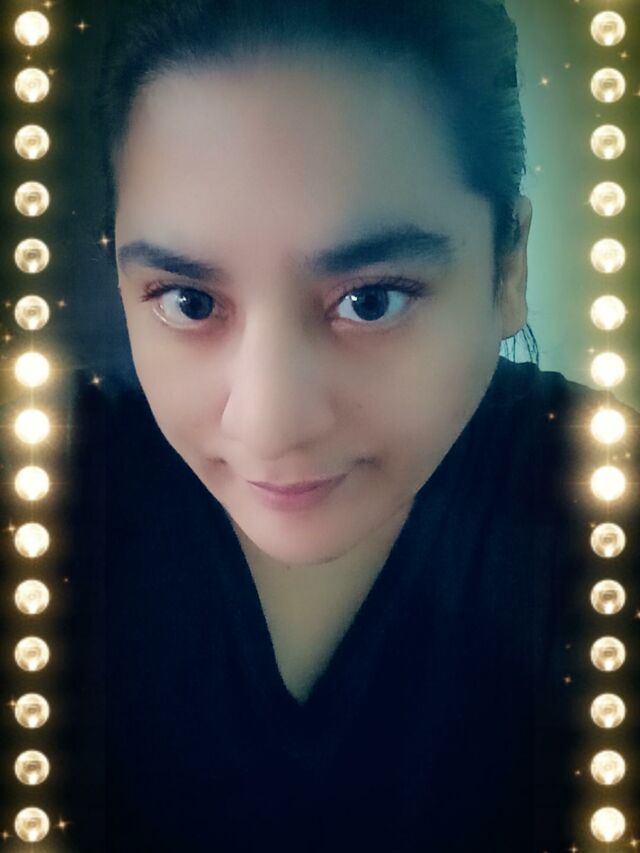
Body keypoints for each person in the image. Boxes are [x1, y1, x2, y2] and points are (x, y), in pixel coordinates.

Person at [27, 0, 640, 849]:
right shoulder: (44, 486)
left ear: (508, 268)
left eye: (371, 300)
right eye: (190, 301)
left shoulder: (607, 504)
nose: (270, 424)